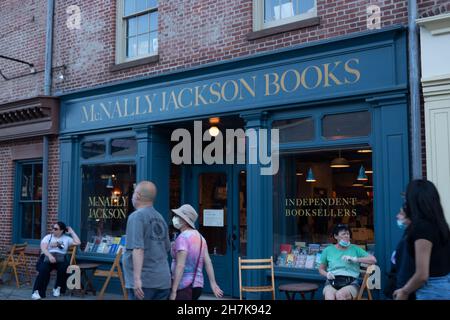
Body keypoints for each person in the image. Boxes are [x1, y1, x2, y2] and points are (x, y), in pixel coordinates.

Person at [393, 180, 450, 300]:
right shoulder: (440, 225)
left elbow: (422, 275)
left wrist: (404, 291)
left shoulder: (422, 228)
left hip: (431, 291)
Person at [123, 181, 171, 300]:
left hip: (145, 282)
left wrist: (137, 279)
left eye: (133, 193)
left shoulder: (137, 216)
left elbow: (138, 248)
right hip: (163, 281)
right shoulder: (160, 218)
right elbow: (167, 248)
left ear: (137, 195)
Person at [169, 204, 223, 300]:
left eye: (178, 216)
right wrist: (213, 283)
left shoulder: (183, 238)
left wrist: (173, 290)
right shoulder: (201, 238)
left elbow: (180, 265)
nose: (175, 218)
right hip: (197, 285)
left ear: (185, 220)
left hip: (183, 286)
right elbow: (208, 262)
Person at [319, 224, 377, 300]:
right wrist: (327, 274)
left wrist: (355, 259)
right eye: (343, 234)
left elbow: (373, 260)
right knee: (329, 296)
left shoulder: (355, 248)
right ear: (336, 236)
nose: (347, 236)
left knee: (340, 295)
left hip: (351, 283)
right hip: (332, 282)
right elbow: (321, 269)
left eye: (348, 234)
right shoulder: (328, 250)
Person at [31, 222, 81, 300]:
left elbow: (78, 242)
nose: (53, 230)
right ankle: (37, 292)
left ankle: (58, 287)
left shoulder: (66, 238)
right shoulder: (48, 237)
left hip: (60, 258)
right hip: (47, 256)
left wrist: (71, 232)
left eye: (55, 229)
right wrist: (50, 256)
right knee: (44, 269)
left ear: (61, 230)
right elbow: (43, 248)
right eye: (53, 228)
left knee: (64, 267)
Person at [384, 206, 416, 299]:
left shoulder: (411, 239)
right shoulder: (407, 235)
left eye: (401, 213)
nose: (397, 216)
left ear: (411, 216)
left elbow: (406, 270)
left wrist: (403, 291)